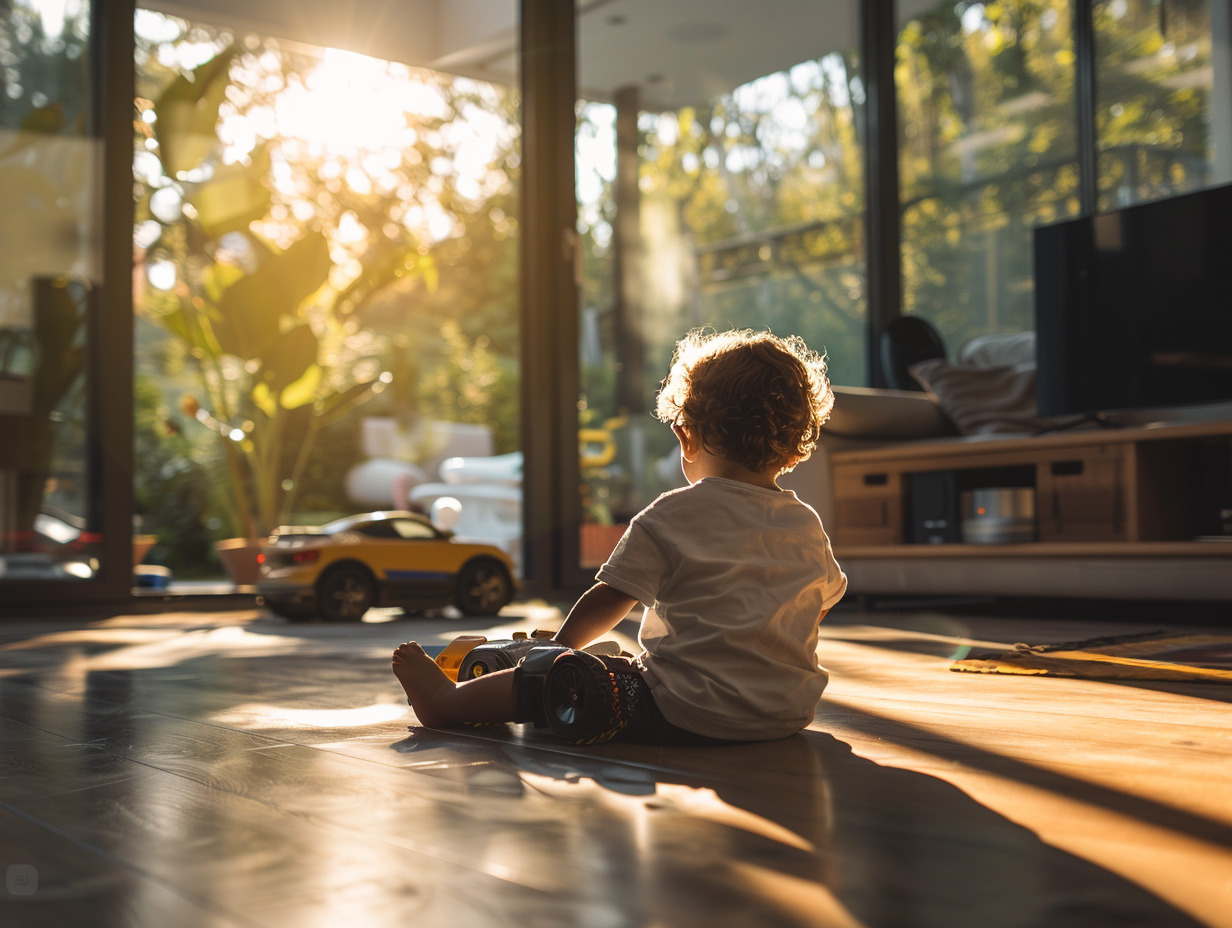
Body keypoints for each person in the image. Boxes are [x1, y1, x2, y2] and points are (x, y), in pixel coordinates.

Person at [392, 326, 847, 745]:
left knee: (558, 675)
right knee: (617, 664)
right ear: (793, 448)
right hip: (787, 712)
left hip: (687, 711)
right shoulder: (805, 523)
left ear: (685, 435)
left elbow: (612, 597)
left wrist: (556, 649)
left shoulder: (673, 514)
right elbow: (821, 602)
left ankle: (446, 702)